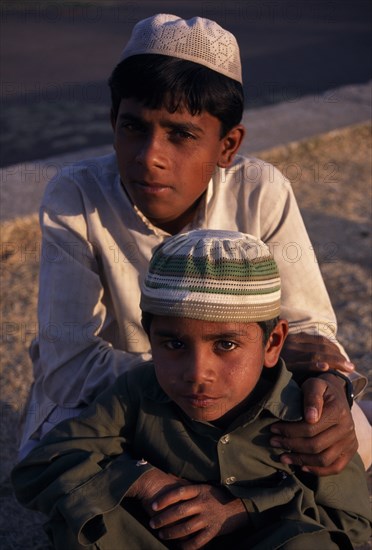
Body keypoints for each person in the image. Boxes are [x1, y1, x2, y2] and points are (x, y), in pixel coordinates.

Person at [20, 13, 371, 470]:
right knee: (57, 459)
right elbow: (68, 368)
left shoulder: (260, 190)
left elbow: (311, 332)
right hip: (122, 401)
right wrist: (200, 376)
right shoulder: (77, 196)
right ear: (112, 121)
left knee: (348, 439)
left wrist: (332, 383)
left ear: (228, 145)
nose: (150, 157)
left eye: (181, 134)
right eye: (133, 128)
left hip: (230, 386)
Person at [12, 230, 371, 549]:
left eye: (226, 345)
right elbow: (41, 466)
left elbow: (351, 524)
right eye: (174, 345)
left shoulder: (308, 417)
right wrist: (142, 479)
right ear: (150, 337)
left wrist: (244, 509)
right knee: (87, 518)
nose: (197, 373)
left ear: (273, 343)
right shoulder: (137, 393)